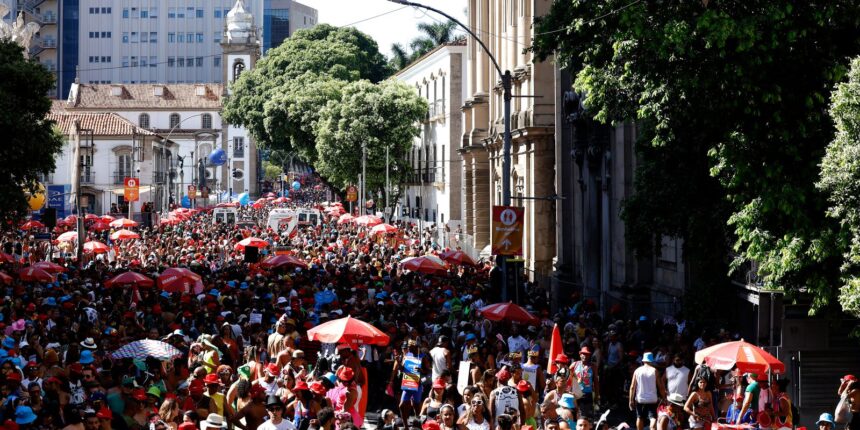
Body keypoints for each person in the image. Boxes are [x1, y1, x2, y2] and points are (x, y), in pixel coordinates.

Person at [629, 352, 666, 430]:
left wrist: (631, 400)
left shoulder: (637, 371)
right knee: (653, 417)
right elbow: (660, 387)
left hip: (640, 399)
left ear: (643, 361)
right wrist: (664, 397)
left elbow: (632, 387)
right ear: (651, 361)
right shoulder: (655, 371)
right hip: (652, 399)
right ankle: (652, 428)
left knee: (639, 417)